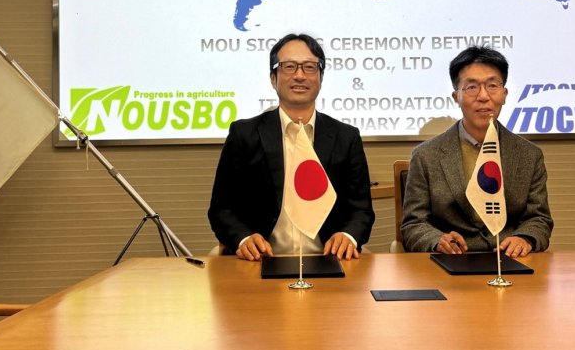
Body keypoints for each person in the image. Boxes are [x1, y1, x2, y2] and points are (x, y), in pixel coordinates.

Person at [208, 33, 375, 261]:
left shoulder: (346, 137)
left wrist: (348, 235)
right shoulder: (244, 135)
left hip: (328, 259)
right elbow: (221, 209)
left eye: (309, 67)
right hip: (261, 261)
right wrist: (244, 239)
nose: (299, 75)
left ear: (321, 77)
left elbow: (361, 210)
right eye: (289, 67)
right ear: (273, 78)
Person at [401, 46, 553, 257]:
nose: (483, 96)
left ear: (504, 94)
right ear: (456, 96)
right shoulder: (426, 155)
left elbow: (539, 219)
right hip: (451, 260)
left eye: (492, 86)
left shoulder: (529, 155)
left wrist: (525, 238)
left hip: (509, 259)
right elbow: (413, 224)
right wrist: (437, 240)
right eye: (472, 87)